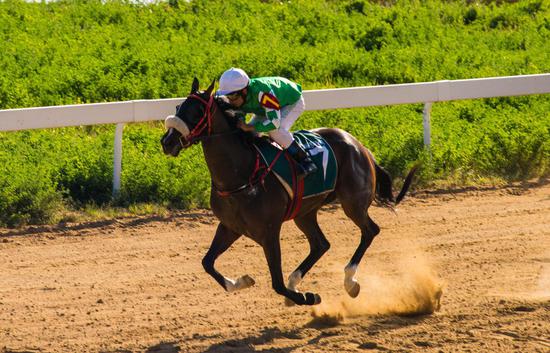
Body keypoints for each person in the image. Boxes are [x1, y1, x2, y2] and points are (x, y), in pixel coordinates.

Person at [216, 67, 317, 179]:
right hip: (265, 108)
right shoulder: (240, 96)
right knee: (249, 134)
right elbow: (240, 115)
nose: (230, 101)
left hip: (291, 102)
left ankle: (306, 161)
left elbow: (274, 123)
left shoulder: (263, 94)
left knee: (275, 132)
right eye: (227, 96)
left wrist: (250, 127)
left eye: (232, 96)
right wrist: (243, 125)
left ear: (244, 91)